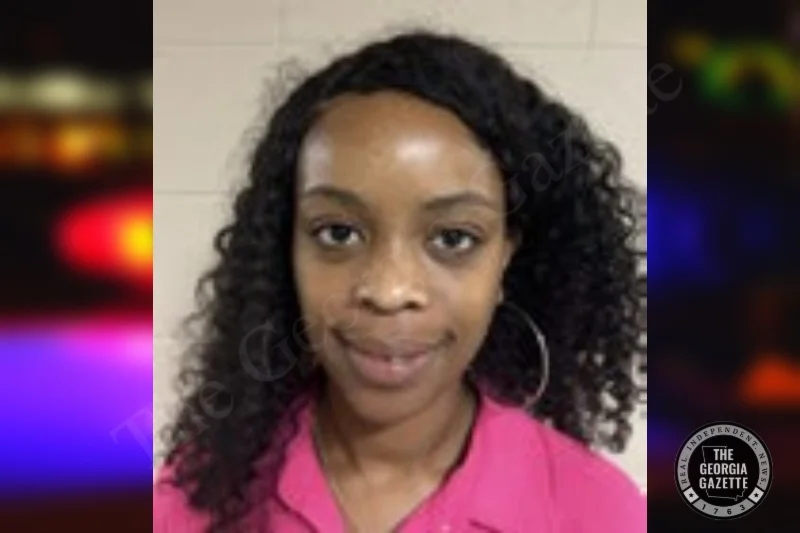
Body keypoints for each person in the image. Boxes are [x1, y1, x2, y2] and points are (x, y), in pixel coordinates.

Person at [153, 30, 647, 533]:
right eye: (338, 233)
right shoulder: (199, 493)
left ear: (505, 257)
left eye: (453, 238)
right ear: (289, 250)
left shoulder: (599, 512)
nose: (389, 292)